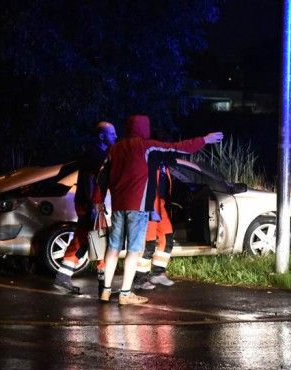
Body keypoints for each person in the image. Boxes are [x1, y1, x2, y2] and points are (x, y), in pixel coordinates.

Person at [94, 114, 223, 305]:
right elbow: (178, 147)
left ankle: (105, 291)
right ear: (144, 129)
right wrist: (204, 139)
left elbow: (101, 176)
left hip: (119, 206)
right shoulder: (147, 146)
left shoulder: (114, 149)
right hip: (138, 207)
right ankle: (125, 294)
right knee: (133, 251)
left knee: (113, 248)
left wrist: (98, 201)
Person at [53, 121, 117, 294]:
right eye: (112, 133)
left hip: (90, 203)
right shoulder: (95, 154)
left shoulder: (96, 153)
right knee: (99, 239)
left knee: (85, 238)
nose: (116, 136)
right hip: (90, 203)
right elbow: (90, 181)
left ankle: (64, 276)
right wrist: (93, 205)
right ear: (102, 136)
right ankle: (103, 284)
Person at [133, 161, 175, 290]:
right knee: (148, 244)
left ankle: (157, 273)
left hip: (160, 204)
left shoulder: (164, 164)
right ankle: (139, 279)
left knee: (167, 238)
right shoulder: (148, 161)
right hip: (148, 205)